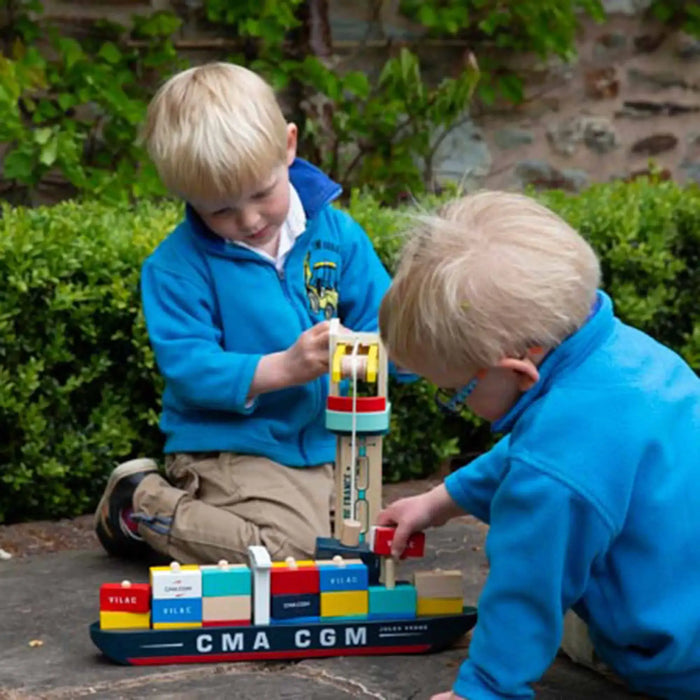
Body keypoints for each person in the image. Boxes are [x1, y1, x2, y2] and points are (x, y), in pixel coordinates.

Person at [376, 191, 700, 700]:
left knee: (542, 600)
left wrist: (484, 688)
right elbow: (537, 450)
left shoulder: (554, 466)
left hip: (677, 659)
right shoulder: (627, 357)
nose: (453, 403)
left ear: (518, 373)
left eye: (451, 392)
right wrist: (441, 500)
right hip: (683, 590)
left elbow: (526, 584)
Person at [94, 62, 394, 565]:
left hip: (329, 443)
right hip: (232, 446)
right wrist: (284, 367)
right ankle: (140, 504)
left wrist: (389, 352)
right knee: (288, 557)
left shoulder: (336, 235)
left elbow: (385, 321)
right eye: (221, 211)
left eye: (261, 193)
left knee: (359, 550)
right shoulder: (177, 266)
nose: (249, 220)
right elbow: (189, 367)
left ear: (289, 146)